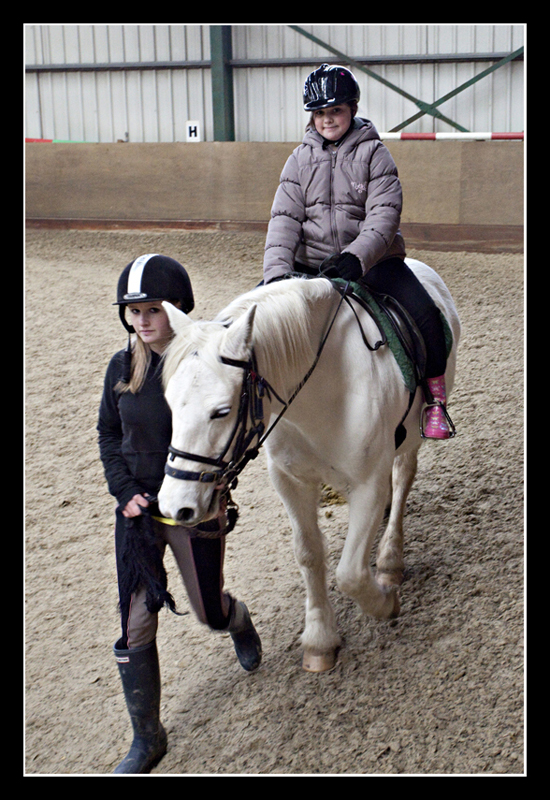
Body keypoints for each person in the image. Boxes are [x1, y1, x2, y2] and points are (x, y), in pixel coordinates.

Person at [97, 253, 262, 774]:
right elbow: (107, 434)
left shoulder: (205, 364)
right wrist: (123, 490)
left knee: (207, 613)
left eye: (153, 310)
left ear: (178, 309)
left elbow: (232, 431)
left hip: (193, 509)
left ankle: (236, 619)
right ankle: (147, 738)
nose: (143, 322)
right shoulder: (122, 367)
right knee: (135, 625)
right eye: (134, 311)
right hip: (139, 514)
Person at [263, 63, 452, 438]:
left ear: (352, 108)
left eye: (335, 110)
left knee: (426, 313)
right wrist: (276, 277)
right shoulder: (297, 161)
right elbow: (283, 221)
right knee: (256, 322)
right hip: (312, 264)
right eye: (319, 113)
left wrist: (356, 256)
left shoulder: (375, 154)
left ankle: (434, 400)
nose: (327, 120)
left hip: (372, 262)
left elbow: (384, 214)